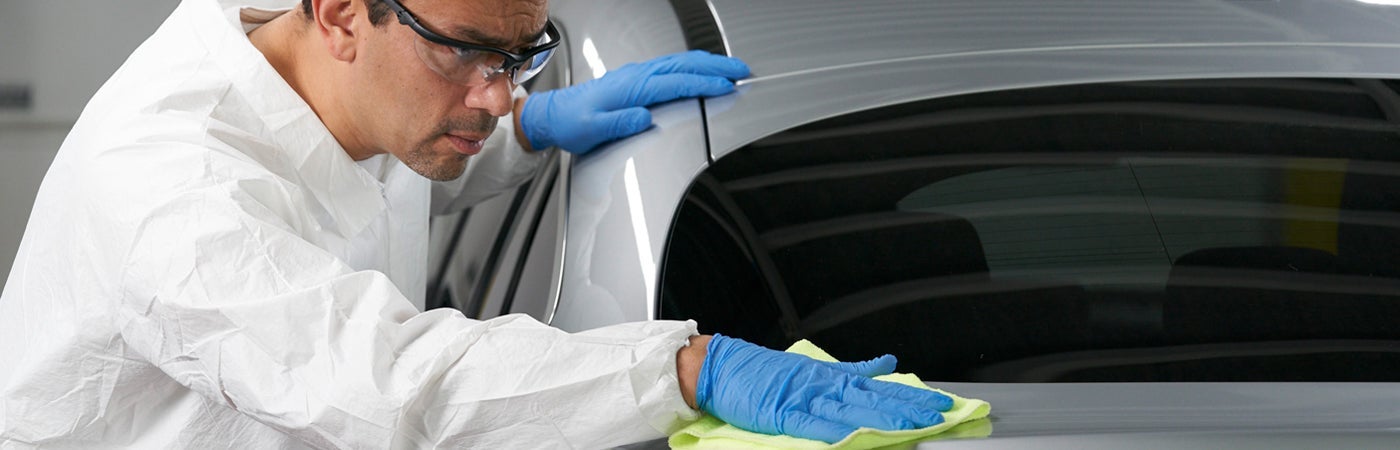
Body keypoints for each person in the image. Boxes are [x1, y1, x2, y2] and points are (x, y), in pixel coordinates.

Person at [0, 0, 953, 447]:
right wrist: (687, 367)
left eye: (524, 54)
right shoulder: (168, 190)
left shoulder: (343, 76)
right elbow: (385, 380)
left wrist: (533, 131)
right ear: (339, 13)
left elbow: (359, 170)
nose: (498, 97)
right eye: (470, 56)